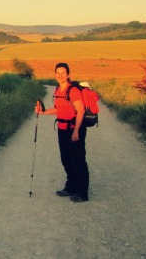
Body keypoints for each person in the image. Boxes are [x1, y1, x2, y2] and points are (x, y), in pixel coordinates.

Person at [35, 62, 90, 202]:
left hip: (74, 128)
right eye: (57, 73)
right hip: (62, 129)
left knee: (78, 160)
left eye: (63, 73)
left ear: (68, 75)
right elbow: (59, 109)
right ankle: (70, 186)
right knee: (66, 159)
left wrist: (76, 131)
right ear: (55, 74)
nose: (60, 75)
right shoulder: (58, 90)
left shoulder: (73, 90)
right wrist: (43, 112)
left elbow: (81, 110)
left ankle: (82, 193)